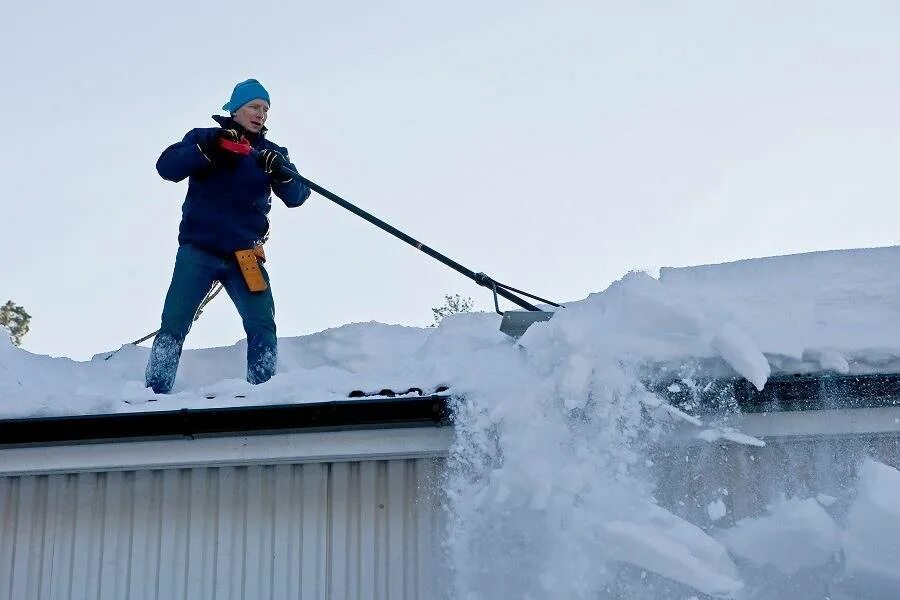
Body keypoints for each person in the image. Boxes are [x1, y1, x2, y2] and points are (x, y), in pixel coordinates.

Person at [145, 79, 310, 394]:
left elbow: (299, 195)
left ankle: (263, 390)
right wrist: (209, 149)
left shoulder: (271, 154)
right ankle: (154, 392)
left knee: (262, 323)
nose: (260, 113)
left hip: (245, 255)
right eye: (254, 107)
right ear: (235, 110)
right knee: (174, 322)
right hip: (199, 249)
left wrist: (281, 171)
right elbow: (167, 167)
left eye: (265, 109)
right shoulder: (205, 138)